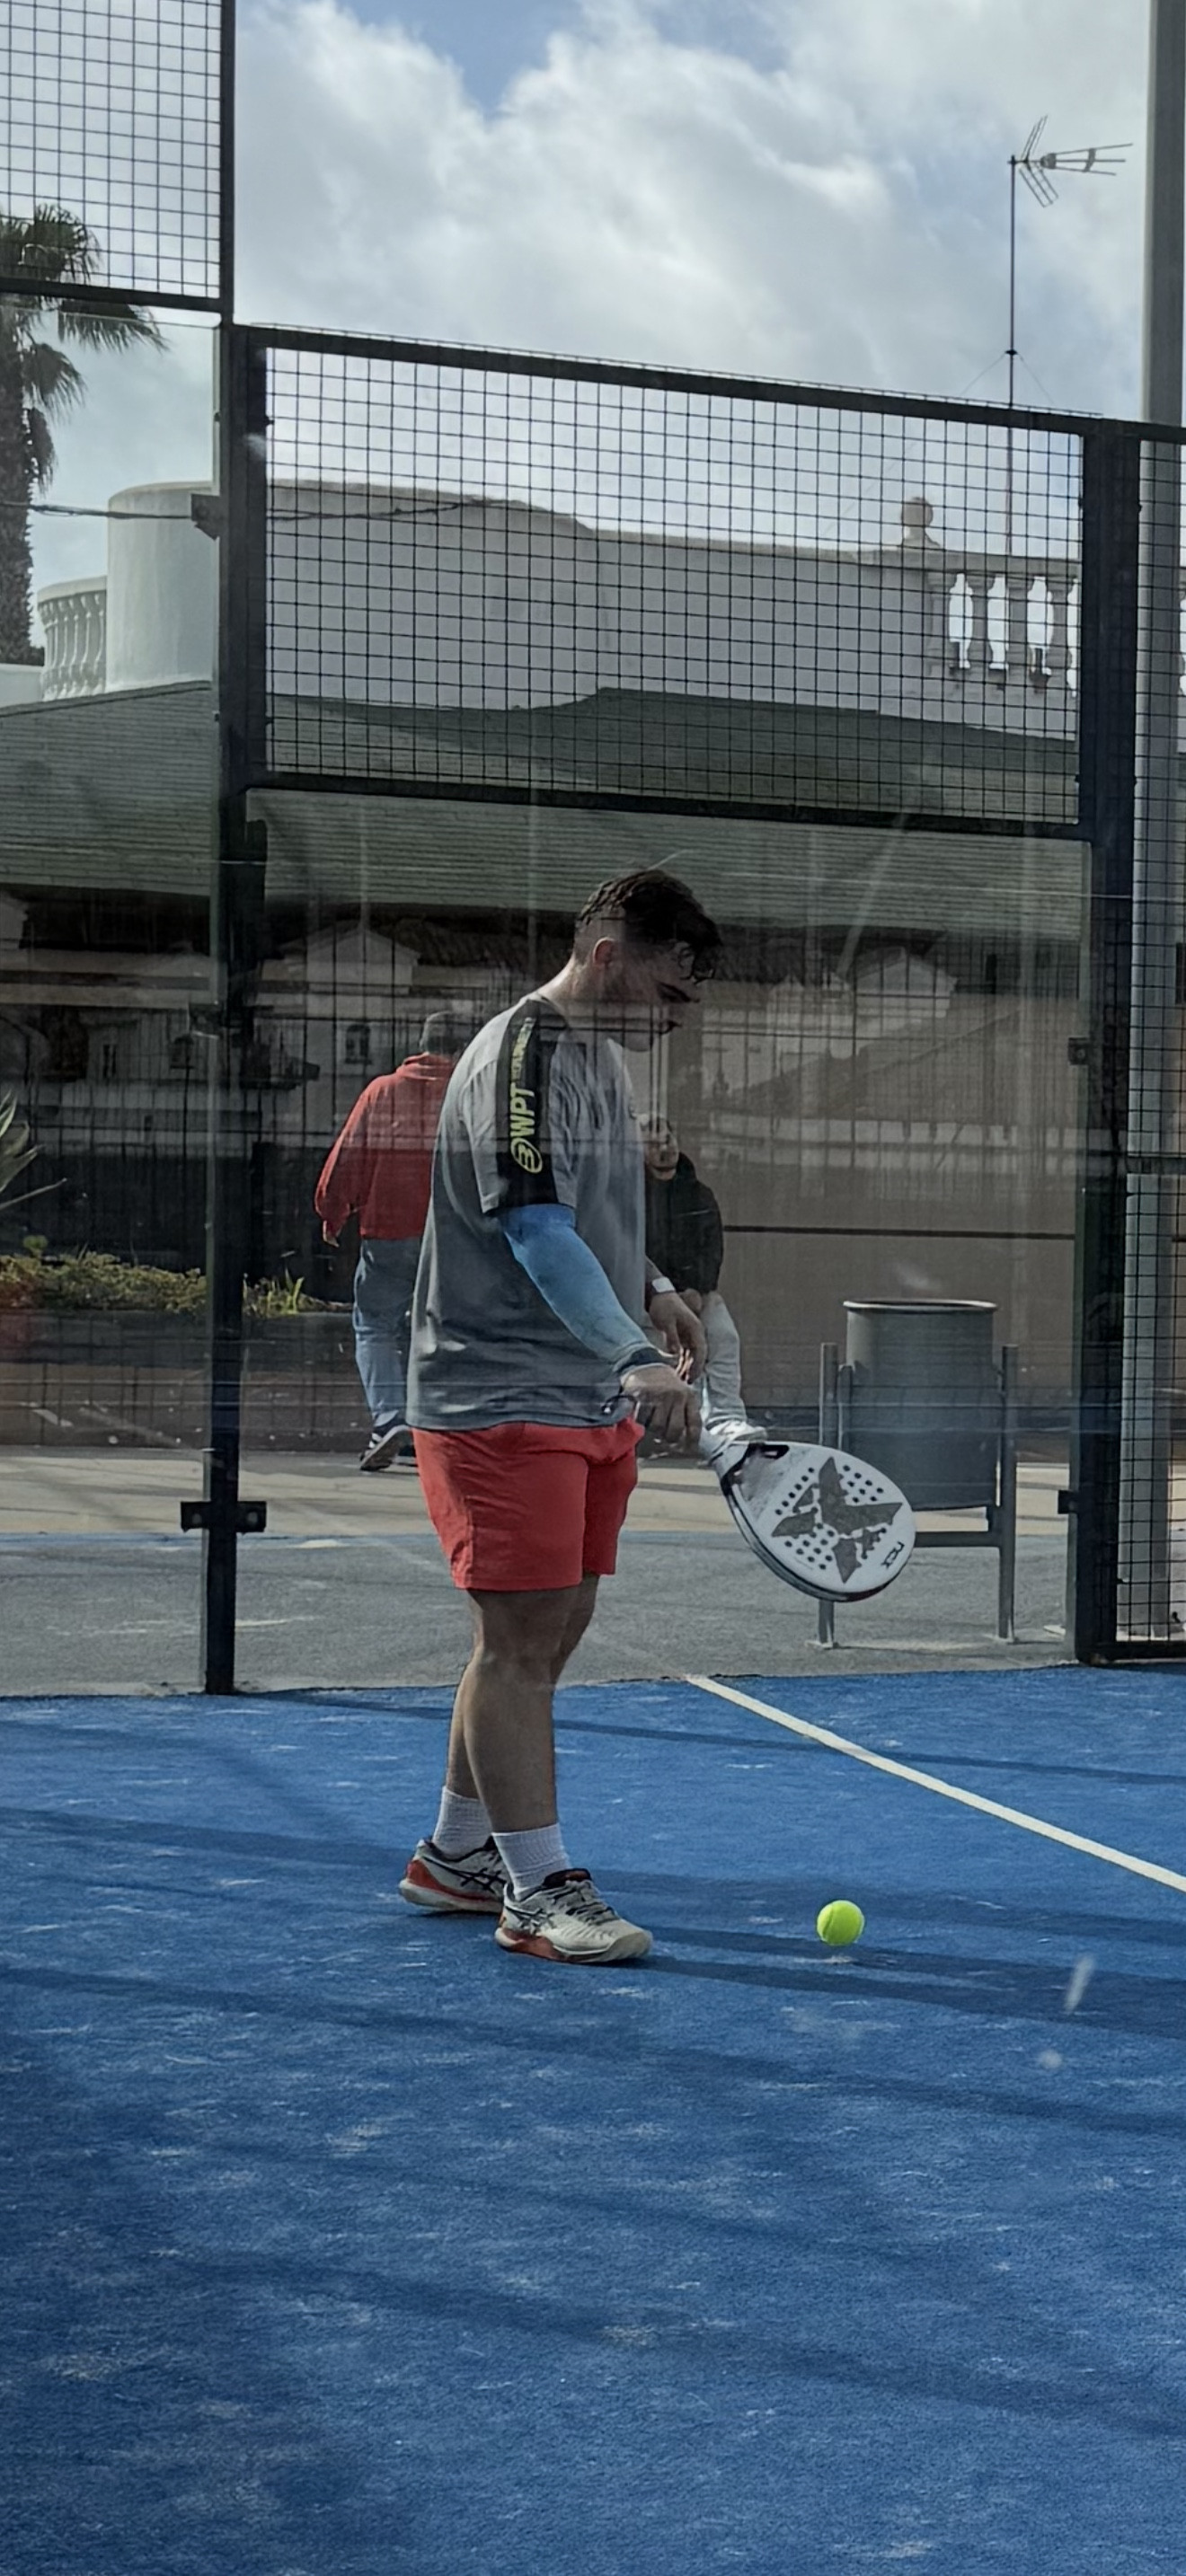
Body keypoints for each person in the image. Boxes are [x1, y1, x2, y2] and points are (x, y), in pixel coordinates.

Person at [399, 870, 721, 1965]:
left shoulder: (597, 1064)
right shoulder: (522, 1058)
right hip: (499, 1398)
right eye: (667, 993)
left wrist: (655, 1287)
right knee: (520, 1645)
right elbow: (535, 1231)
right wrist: (637, 1357)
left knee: (547, 1631)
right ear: (607, 955)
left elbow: (585, 1215)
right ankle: (536, 1891)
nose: (674, 1018)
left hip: (576, 1392)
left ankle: (457, 1856)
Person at [314, 1011, 468, 1472]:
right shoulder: (469, 1091)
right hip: (455, 1238)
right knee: (447, 1330)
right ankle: (438, 1428)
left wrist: (333, 1211)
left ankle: (389, 1420)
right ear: (463, 1049)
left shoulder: (382, 1090)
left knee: (375, 1325)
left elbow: (348, 1156)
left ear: (421, 1045)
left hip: (389, 1230)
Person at [642, 1113, 747, 1433]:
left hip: (696, 1293)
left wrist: (697, 1289)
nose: (665, 1148)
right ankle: (680, 1421)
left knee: (724, 1335)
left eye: (668, 1139)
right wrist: (664, 1292)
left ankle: (727, 1418)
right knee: (667, 1347)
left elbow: (712, 1249)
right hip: (649, 1296)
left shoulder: (700, 1194)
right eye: (654, 1143)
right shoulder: (630, 1197)